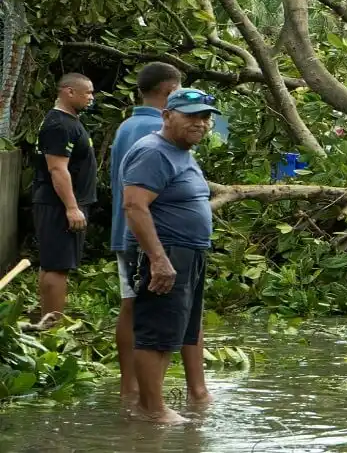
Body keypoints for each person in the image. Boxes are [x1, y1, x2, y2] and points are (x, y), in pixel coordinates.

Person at [121, 88, 220, 423]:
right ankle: (152, 408)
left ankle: (157, 404)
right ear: (167, 115)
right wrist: (158, 258)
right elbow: (134, 206)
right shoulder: (154, 151)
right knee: (158, 334)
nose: (201, 123)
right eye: (191, 116)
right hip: (168, 252)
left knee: (181, 330)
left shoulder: (180, 151)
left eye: (205, 117)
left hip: (188, 253)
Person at [109, 62, 187, 401]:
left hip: (128, 232)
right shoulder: (154, 130)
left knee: (131, 304)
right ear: (170, 92)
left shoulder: (129, 124)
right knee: (144, 311)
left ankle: (132, 388)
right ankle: (139, 392)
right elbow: (142, 197)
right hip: (145, 237)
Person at [30, 73, 97, 328]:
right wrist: (71, 207)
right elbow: (57, 169)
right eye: (87, 92)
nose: (91, 98)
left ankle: (46, 324)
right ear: (69, 92)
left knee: (54, 265)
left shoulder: (69, 122)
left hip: (65, 203)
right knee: (57, 267)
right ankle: (52, 330)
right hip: (59, 204)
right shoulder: (59, 125)